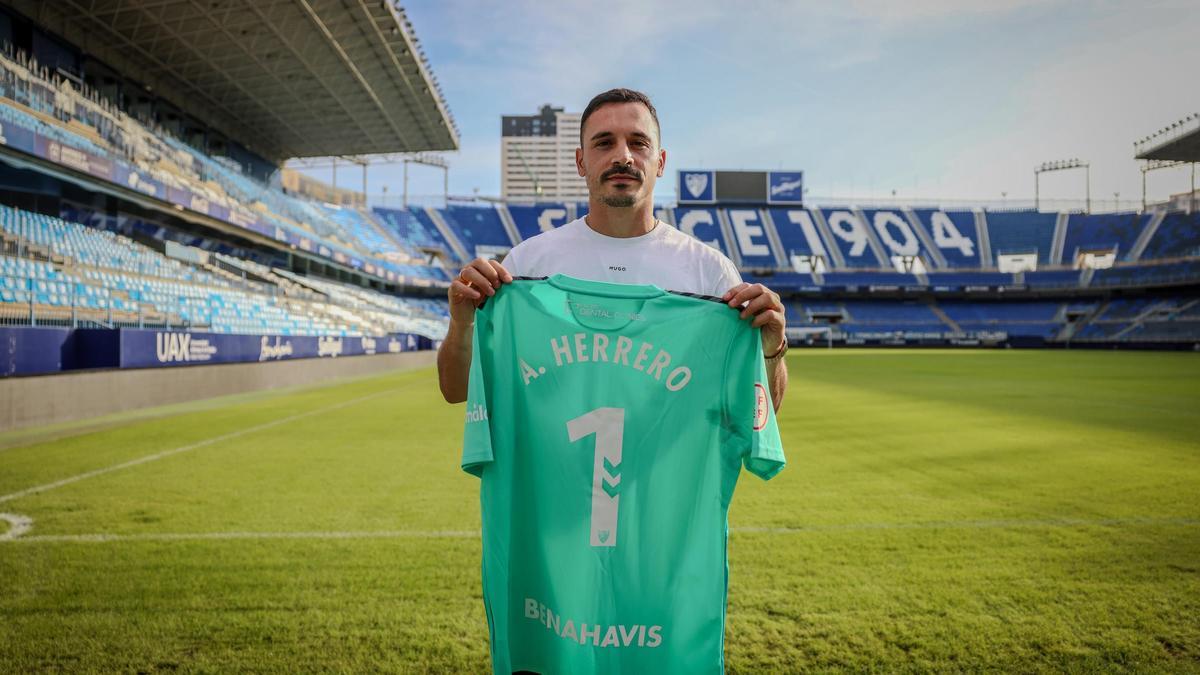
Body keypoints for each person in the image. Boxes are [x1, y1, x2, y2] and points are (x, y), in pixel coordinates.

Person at [438, 87, 787, 410]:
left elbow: (757, 411)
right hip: (550, 478)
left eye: (639, 143)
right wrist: (461, 324)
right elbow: (457, 392)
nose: (623, 156)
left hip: (667, 479)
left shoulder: (711, 272)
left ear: (660, 162)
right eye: (604, 143)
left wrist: (772, 351)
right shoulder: (526, 265)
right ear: (580, 161)